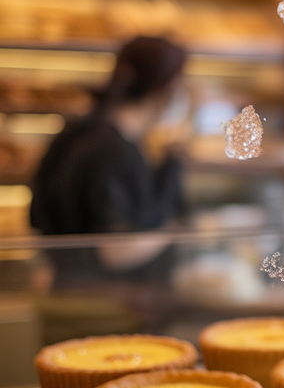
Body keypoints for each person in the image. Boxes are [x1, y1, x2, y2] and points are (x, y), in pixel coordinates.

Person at [30, 35, 187, 276]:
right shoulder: (115, 151)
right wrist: (176, 233)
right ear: (163, 91)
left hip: (62, 286)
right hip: (101, 300)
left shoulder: (75, 131)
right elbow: (115, 252)